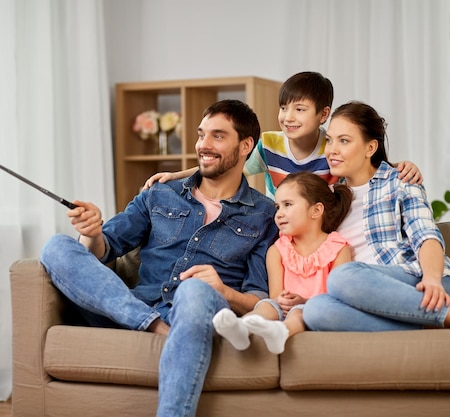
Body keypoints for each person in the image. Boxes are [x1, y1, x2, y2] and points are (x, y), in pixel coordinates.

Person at [40, 99, 279, 417]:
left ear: (246, 145)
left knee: (194, 291)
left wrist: (221, 291)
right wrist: (92, 232)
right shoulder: (159, 194)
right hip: (130, 309)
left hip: (197, 313)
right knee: (56, 247)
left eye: (217, 136)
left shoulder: (265, 215)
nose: (203, 145)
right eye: (200, 134)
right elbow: (104, 250)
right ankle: (152, 326)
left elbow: (258, 298)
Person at [302, 100, 450, 334]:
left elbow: (426, 236)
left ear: (370, 148)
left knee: (342, 277)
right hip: (374, 300)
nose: (332, 150)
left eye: (344, 141)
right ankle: (432, 324)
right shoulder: (328, 199)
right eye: (330, 140)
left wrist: (432, 279)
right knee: (315, 310)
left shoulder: (400, 181)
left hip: (425, 287)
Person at [144, 71, 423, 197]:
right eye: (283, 107)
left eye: (300, 109)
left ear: (323, 115)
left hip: (319, 227)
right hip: (277, 224)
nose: (288, 117)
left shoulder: (333, 146)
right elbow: (227, 164)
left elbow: (367, 165)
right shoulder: (270, 143)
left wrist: (403, 167)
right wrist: (176, 175)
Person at [212, 171, 352, 354]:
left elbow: (338, 297)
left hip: (315, 311)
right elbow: (276, 296)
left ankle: (282, 332)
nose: (279, 214)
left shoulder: (338, 248)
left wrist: (303, 301)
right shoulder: (277, 250)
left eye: (287, 205)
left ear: (316, 210)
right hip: (282, 310)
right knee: (266, 305)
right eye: (278, 207)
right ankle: (241, 327)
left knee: (299, 312)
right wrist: (282, 300)